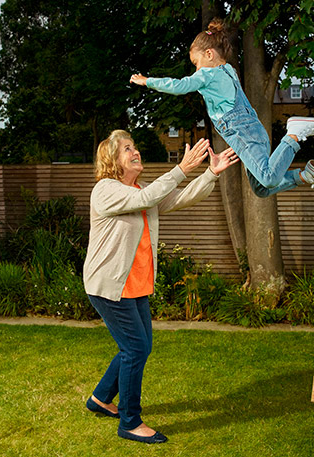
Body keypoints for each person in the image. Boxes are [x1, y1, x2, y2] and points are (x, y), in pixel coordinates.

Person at [83, 130, 238, 444]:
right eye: (128, 148)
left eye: (135, 146)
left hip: (134, 285)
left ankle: (100, 398)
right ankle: (129, 421)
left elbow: (178, 198)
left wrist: (210, 173)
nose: (135, 151)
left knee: (137, 347)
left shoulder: (140, 191)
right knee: (135, 349)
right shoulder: (106, 190)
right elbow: (146, 199)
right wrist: (182, 168)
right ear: (113, 161)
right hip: (109, 285)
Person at [130, 18, 314, 199]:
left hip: (241, 132)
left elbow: (180, 86)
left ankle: (294, 134)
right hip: (253, 129)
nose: (196, 69)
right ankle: (305, 175)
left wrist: (148, 81)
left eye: (196, 63)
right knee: (261, 188)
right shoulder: (228, 70)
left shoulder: (206, 75)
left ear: (209, 54)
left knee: (268, 179)